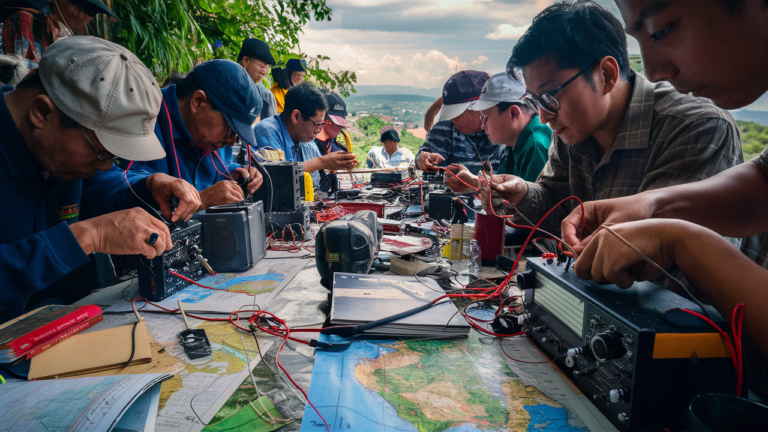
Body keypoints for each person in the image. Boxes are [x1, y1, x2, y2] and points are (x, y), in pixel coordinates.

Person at [554, 0, 768, 362]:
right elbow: (763, 181)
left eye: (661, 30)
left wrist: (676, 240)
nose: (653, 71)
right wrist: (652, 206)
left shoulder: (696, 123)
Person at [477, 1, 743, 239]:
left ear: (606, 74)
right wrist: (523, 193)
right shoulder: (572, 130)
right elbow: (556, 203)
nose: (545, 116)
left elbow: (674, 255)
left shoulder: (694, 128)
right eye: (535, 101)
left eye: (550, 95)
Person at [0, 36, 200, 322]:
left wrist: (150, 185)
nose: (106, 166)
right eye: (101, 152)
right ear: (42, 112)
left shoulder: (63, 157)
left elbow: (106, 189)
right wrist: (88, 236)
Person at [108, 60, 264, 210]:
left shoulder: (211, 137)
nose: (230, 142)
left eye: (236, 136)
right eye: (230, 130)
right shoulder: (139, 119)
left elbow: (214, 169)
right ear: (197, 101)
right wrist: (202, 200)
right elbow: (109, 191)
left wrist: (233, 172)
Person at [443, 72, 551, 194]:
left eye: (486, 117)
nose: (483, 126)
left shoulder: (535, 147)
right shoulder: (514, 142)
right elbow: (508, 191)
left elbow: (529, 206)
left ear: (513, 114)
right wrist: (474, 183)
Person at [253, 82, 357, 184]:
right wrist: (321, 162)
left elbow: (316, 184)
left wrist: (337, 164)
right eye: (316, 124)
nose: (318, 131)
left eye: (321, 125)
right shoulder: (267, 131)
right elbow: (275, 177)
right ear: (296, 116)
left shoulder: (307, 141)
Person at [416, 70, 500, 176]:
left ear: (480, 107)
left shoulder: (504, 132)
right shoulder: (446, 128)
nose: (452, 119)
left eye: (457, 114)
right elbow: (426, 152)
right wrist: (423, 158)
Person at [1, 0, 117, 69]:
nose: (81, 15)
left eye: (90, 12)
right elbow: (25, 73)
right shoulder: (27, 20)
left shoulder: (71, 37)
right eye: (77, 5)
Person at [237, 38, 277, 120]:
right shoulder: (223, 82)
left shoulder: (265, 95)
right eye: (262, 66)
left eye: (267, 67)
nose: (265, 72)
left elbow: (269, 128)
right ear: (246, 61)